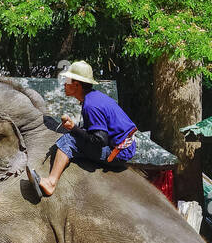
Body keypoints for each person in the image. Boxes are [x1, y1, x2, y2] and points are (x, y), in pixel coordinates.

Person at [38, 60, 137, 196]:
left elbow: (100, 139)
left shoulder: (91, 105)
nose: (64, 85)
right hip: (124, 144)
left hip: (119, 152)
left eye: (67, 81)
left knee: (68, 140)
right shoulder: (94, 97)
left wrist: (74, 128)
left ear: (77, 85)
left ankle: (51, 183)